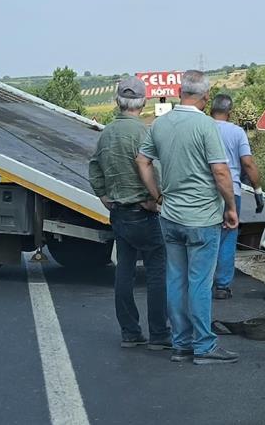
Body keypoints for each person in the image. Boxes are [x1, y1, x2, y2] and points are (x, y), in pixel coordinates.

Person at [135, 70, 240, 365]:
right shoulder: (207, 126)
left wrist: (157, 195)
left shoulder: (160, 123)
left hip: (170, 217)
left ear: (181, 92)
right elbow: (220, 172)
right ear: (206, 97)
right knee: (199, 283)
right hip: (202, 217)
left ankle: (181, 344)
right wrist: (230, 207)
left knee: (176, 279)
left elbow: (142, 161)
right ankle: (204, 346)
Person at [87, 76, 170, 350]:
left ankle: (130, 332)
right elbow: (152, 169)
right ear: (144, 102)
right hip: (144, 213)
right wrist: (156, 198)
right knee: (157, 272)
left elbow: (94, 167)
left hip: (119, 213)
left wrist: (104, 197)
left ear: (117, 102)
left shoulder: (107, 133)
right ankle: (159, 334)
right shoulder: (145, 133)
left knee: (124, 271)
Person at [208, 94, 265, 300]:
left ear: (210, 109)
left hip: (205, 192)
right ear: (229, 112)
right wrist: (258, 191)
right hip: (232, 191)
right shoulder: (236, 132)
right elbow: (248, 164)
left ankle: (201, 283)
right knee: (228, 239)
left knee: (207, 238)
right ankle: (222, 286)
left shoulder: (202, 128)